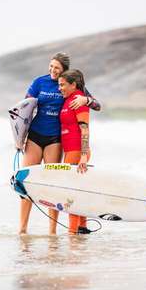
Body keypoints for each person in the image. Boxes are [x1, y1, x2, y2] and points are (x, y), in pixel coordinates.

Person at [19, 53, 100, 235]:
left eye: (57, 68)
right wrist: (20, 137)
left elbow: (97, 105)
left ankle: (52, 232)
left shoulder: (69, 84)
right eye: (51, 66)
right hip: (35, 136)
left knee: (52, 186)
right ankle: (22, 229)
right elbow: (24, 109)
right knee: (27, 182)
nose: (53, 71)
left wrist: (86, 99)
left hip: (55, 140)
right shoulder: (39, 82)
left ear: (64, 70)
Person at [58, 69, 91, 235]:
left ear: (73, 84)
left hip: (78, 151)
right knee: (77, 190)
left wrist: (84, 156)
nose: (60, 88)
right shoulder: (68, 99)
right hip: (70, 151)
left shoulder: (79, 100)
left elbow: (85, 130)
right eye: (59, 85)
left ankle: (72, 232)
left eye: (63, 85)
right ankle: (82, 228)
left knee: (71, 192)